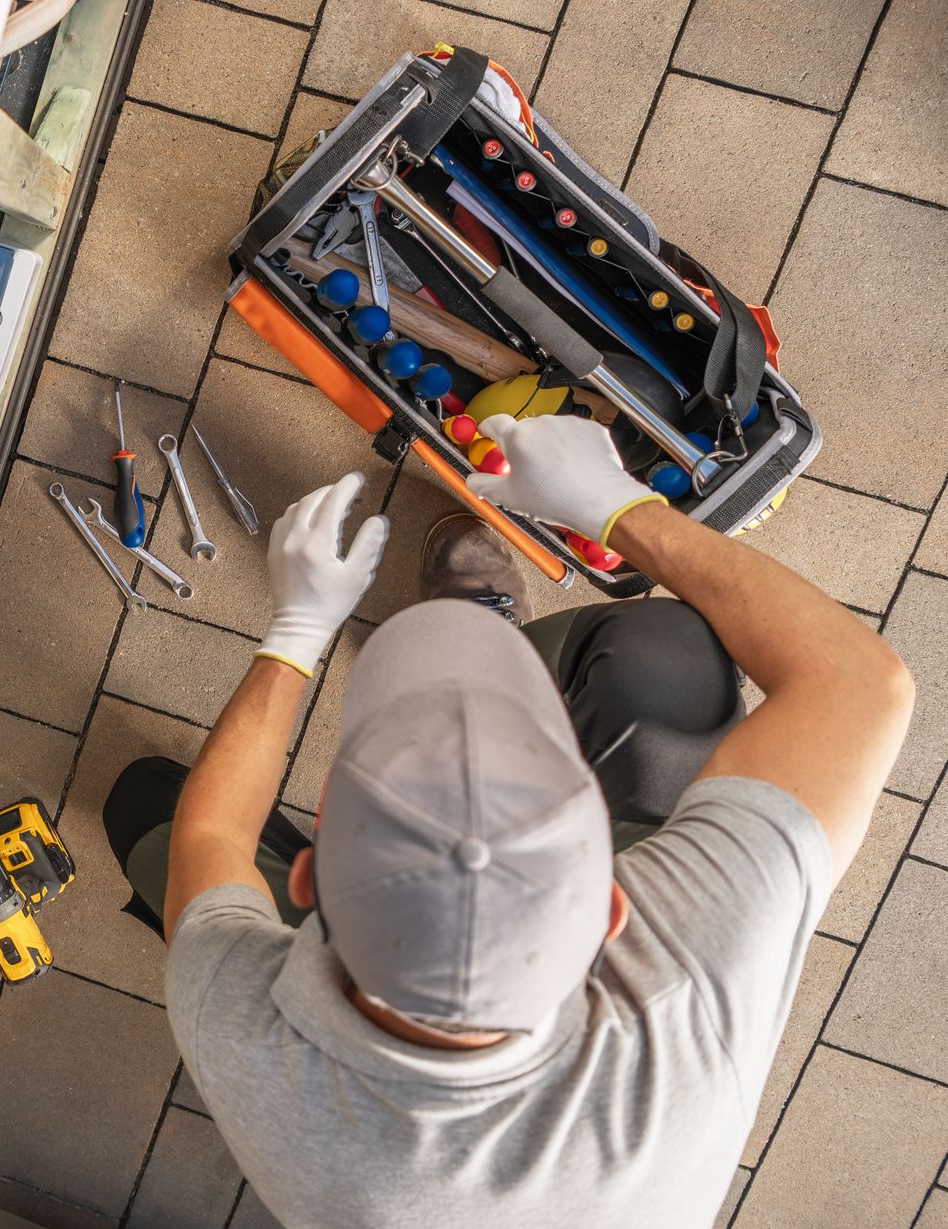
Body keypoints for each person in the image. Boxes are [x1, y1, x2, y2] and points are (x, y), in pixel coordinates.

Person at [101, 413, 914, 1226]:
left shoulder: (242, 1035)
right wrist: (621, 511)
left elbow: (210, 838)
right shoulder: (693, 987)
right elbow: (862, 688)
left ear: (312, 879)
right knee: (673, 662)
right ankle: (498, 666)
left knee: (151, 812)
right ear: (609, 906)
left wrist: (297, 630)